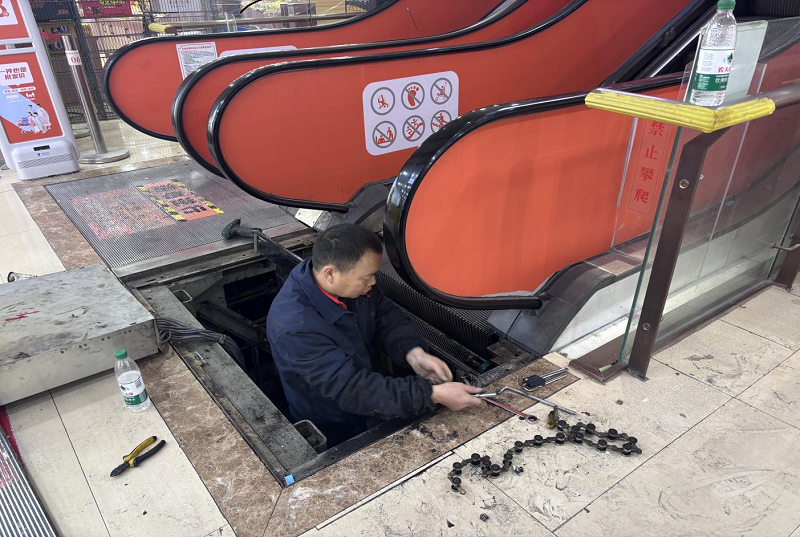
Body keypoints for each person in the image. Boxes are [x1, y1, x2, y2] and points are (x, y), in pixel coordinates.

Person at [267, 224, 483, 447]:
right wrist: (431, 394)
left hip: (373, 397)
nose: (373, 282)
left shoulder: (345, 284)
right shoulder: (296, 328)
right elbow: (351, 390)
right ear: (330, 273)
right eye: (366, 277)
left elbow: (385, 315)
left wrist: (413, 352)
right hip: (336, 426)